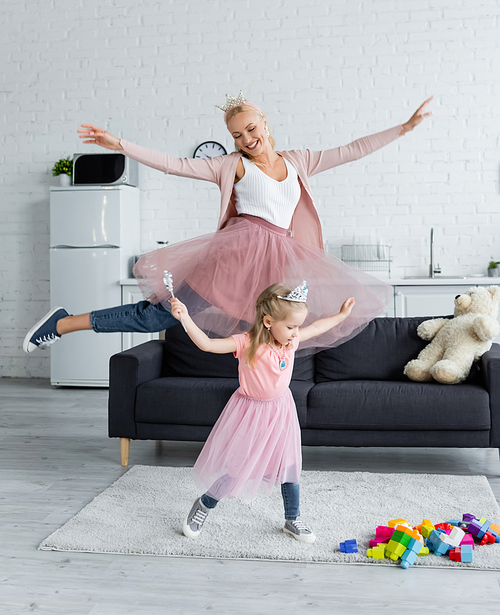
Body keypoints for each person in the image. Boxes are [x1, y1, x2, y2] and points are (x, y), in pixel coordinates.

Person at [23, 93, 432, 354]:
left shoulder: (299, 161)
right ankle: (62, 322)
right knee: (157, 317)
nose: (246, 139)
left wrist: (404, 128)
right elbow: (175, 165)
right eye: (237, 135)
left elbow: (353, 150)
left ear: (265, 123)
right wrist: (121, 145)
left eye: (251, 129)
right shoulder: (232, 166)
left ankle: (260, 408)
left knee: (277, 332)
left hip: (276, 261)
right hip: (231, 261)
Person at [170, 280, 356, 542]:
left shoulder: (290, 341)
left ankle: (293, 518)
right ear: (269, 322)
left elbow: (317, 327)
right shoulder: (246, 343)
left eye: (297, 327)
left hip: (281, 409)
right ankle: (204, 504)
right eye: (291, 327)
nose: (295, 333)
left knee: (289, 464)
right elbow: (208, 345)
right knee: (238, 466)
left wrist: (341, 315)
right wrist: (186, 318)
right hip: (251, 413)